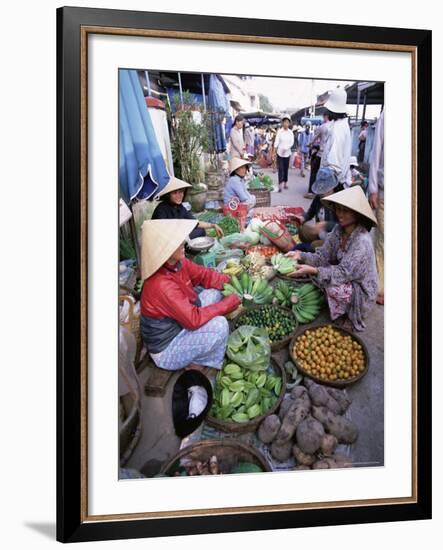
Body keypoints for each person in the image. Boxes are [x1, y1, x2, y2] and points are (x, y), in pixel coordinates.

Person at [140, 219, 241, 371]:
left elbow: (204, 275)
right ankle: (204, 361)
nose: (183, 242)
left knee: (215, 292)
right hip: (168, 348)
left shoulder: (178, 263)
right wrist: (226, 305)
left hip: (180, 323)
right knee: (220, 325)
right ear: (164, 250)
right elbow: (193, 320)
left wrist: (231, 282)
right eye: (177, 242)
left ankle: (199, 352)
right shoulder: (160, 285)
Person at [287, 186, 378, 331]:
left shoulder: (362, 241)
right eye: (338, 209)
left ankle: (349, 313)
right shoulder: (338, 231)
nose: (339, 214)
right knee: (321, 275)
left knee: (331, 286)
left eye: (345, 210)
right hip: (346, 277)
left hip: (361, 289)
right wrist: (301, 255)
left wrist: (315, 271)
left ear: (356, 214)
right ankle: (337, 305)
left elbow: (342, 273)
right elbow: (322, 256)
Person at [152, 177, 224, 239]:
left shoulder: (179, 207)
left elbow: (195, 223)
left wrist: (213, 225)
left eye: (181, 192)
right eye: (174, 193)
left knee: (200, 231)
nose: (179, 195)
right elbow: (162, 234)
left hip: (177, 235)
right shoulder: (161, 209)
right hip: (166, 241)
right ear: (168, 195)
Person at [294, 166, 343, 246]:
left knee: (314, 245)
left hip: (334, 239)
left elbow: (343, 228)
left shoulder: (340, 202)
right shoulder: (319, 197)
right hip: (321, 233)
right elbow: (311, 211)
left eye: (325, 192)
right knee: (303, 230)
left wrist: (326, 224)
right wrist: (304, 217)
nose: (321, 195)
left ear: (332, 188)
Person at [320, 87, 352, 189]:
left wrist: (325, 187)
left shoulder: (338, 130)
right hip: (336, 180)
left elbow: (334, 166)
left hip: (332, 182)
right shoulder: (342, 125)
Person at [368, 109, 384, 305]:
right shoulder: (387, 114)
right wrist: (373, 188)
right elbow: (376, 153)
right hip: (385, 191)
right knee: (383, 241)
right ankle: (380, 288)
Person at [274, 115, 295, 192]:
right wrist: (275, 148)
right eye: (284, 122)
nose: (286, 124)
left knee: (286, 169)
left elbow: (292, 142)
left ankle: (285, 182)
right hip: (279, 153)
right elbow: (276, 141)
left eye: (287, 122)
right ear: (282, 123)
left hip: (287, 153)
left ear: (289, 123)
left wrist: (286, 148)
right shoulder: (279, 132)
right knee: (280, 169)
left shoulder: (290, 133)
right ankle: (280, 184)